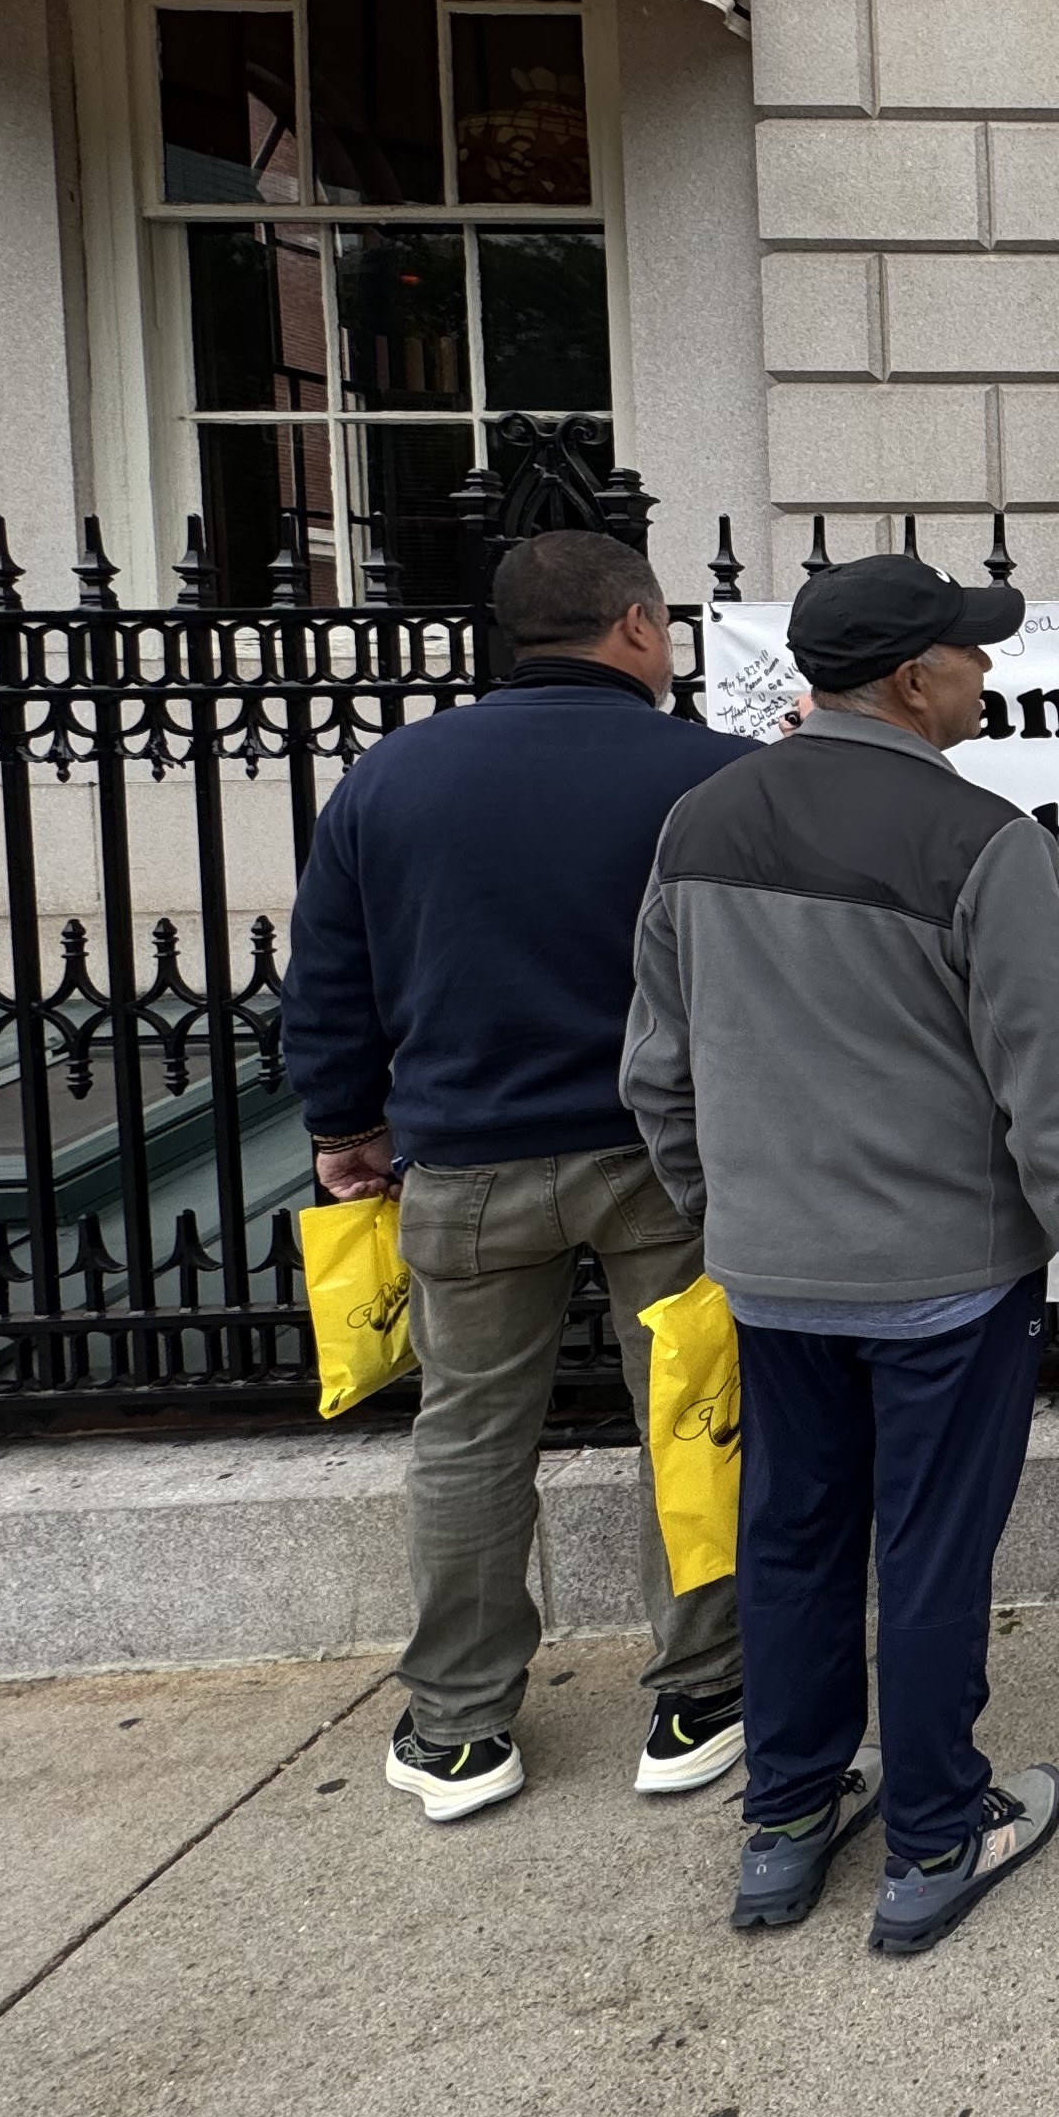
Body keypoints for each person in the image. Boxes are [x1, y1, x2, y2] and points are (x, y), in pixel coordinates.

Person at [622, 551, 1059, 1953]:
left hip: (772, 1275)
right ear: (916, 679)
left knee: (791, 1540)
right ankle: (934, 1834)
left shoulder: (701, 822)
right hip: (943, 1283)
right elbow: (1054, 1092)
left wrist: (725, 1213)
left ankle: (787, 1821)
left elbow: (657, 1072)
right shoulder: (981, 841)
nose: (987, 673)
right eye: (970, 653)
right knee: (929, 1555)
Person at [284, 529, 757, 1826]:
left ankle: (459, 1727)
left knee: (469, 1440)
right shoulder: (712, 776)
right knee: (697, 1414)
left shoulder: (392, 777)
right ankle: (705, 1694)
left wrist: (345, 1125)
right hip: (669, 1158)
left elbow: (329, 976)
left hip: (465, 1156)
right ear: (635, 625)